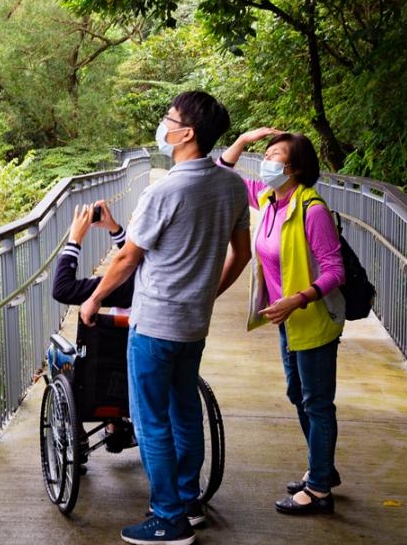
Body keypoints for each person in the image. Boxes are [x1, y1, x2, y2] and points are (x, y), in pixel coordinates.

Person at [80, 91, 253, 545]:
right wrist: (209, 294)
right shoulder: (232, 186)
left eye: (169, 119)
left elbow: (126, 260)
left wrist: (94, 299)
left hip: (155, 322)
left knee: (152, 419)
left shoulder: (165, 190)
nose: (164, 125)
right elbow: (242, 254)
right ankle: (188, 501)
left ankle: (166, 518)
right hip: (194, 324)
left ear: (187, 133)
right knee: (184, 411)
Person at [220, 128, 346, 515]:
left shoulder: (313, 210)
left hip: (313, 321)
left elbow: (335, 270)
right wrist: (243, 139)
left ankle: (320, 488)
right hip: (287, 322)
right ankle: (321, 467)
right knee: (298, 394)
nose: (267, 159)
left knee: (318, 403)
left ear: (294, 167)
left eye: (274, 154)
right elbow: (220, 174)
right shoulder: (269, 199)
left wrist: (297, 299)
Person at [52, 200, 136, 453]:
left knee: (57, 354)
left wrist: (74, 240)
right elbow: (135, 260)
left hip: (104, 383)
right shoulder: (158, 278)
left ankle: (77, 433)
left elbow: (62, 288)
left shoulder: (118, 288)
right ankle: (116, 427)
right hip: (144, 370)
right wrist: (115, 230)